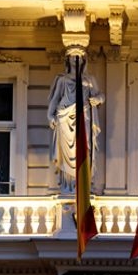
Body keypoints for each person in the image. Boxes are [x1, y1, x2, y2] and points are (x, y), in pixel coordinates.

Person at [47, 55, 104, 194]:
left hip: (84, 116)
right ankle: (68, 186)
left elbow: (100, 95)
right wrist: (50, 115)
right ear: (67, 59)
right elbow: (55, 99)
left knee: (85, 148)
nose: (75, 58)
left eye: (78, 56)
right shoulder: (62, 79)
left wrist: (97, 99)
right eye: (72, 56)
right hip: (64, 117)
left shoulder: (89, 80)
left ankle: (82, 184)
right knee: (65, 154)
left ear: (84, 59)